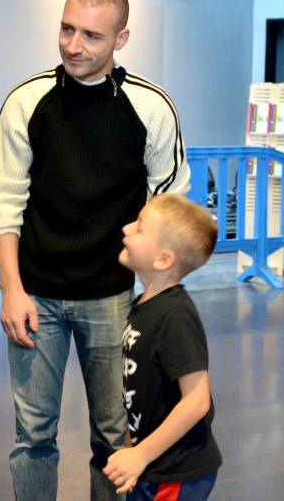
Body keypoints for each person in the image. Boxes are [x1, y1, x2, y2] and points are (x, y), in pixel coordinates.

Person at [0, 0, 191, 501]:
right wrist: (11, 289)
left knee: (114, 438)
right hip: (36, 295)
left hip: (114, 299)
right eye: (67, 29)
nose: (74, 46)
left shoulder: (151, 108)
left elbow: (167, 209)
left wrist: (152, 299)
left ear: (121, 39)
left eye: (92, 36)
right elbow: (4, 201)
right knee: (32, 438)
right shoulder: (27, 101)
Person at [103, 193, 222, 500]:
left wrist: (141, 455)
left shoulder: (176, 316)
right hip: (152, 464)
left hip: (177, 472)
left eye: (140, 228)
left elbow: (197, 402)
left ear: (163, 259)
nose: (127, 228)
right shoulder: (144, 305)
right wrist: (134, 452)